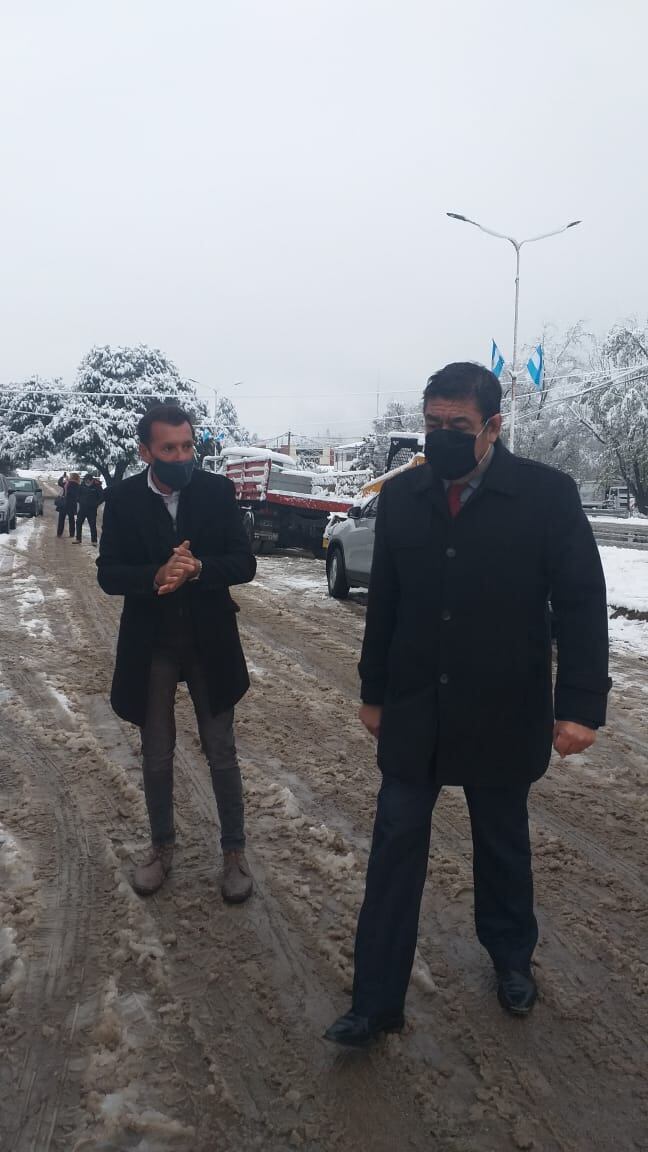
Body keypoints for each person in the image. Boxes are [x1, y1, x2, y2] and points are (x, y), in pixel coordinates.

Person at [325, 362, 610, 1047]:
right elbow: (383, 604)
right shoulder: (404, 496)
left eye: (458, 425)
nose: (443, 437)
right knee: (394, 844)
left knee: (502, 843)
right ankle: (375, 1001)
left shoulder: (546, 495)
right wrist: (372, 692)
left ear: (492, 426)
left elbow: (580, 604)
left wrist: (579, 706)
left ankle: (511, 958)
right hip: (416, 707)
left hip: (504, 707)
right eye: (432, 425)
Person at [97, 403, 257, 901]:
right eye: (169, 448)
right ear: (145, 451)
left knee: (221, 752)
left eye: (187, 446)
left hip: (209, 641)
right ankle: (162, 847)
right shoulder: (122, 500)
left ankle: (234, 852)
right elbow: (107, 573)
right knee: (157, 754)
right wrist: (155, 575)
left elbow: (244, 562)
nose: (181, 456)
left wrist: (199, 568)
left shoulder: (215, 491)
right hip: (153, 646)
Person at [75, 474, 105, 545]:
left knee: (92, 525)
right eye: (85, 480)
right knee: (78, 523)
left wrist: (96, 504)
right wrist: (80, 500)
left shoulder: (97, 486)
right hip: (82, 508)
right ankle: (78, 539)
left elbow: (102, 497)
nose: (87, 481)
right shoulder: (81, 486)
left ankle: (94, 541)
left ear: (92, 480)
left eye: (88, 480)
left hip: (92, 509)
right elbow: (77, 495)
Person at [56, 472, 80, 538]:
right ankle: (71, 534)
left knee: (61, 519)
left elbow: (59, 483)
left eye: (70, 476)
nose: (69, 477)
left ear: (72, 477)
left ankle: (59, 533)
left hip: (64, 504)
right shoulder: (77, 485)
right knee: (71, 520)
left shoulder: (67, 483)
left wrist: (62, 477)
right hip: (72, 505)